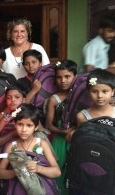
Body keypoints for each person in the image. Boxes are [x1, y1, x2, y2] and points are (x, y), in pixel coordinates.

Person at [0, 103, 61, 194]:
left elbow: (57, 172)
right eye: (20, 124)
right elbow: (0, 173)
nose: (24, 129)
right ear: (15, 125)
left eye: (29, 125)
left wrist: (38, 168)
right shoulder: (12, 146)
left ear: (36, 127)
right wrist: (18, 171)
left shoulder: (41, 144)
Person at [45, 60, 77, 195]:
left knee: (75, 169)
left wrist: (75, 131)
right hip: (59, 140)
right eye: (59, 77)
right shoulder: (54, 99)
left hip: (77, 139)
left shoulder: (83, 97)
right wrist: (64, 131)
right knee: (58, 170)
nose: (63, 80)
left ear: (75, 76)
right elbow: (48, 125)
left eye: (67, 76)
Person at [0, 85, 26, 151]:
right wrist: (13, 134)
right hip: (6, 152)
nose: (12, 100)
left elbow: (41, 132)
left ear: (24, 100)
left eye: (17, 97)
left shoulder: (30, 114)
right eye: (9, 98)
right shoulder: (5, 119)